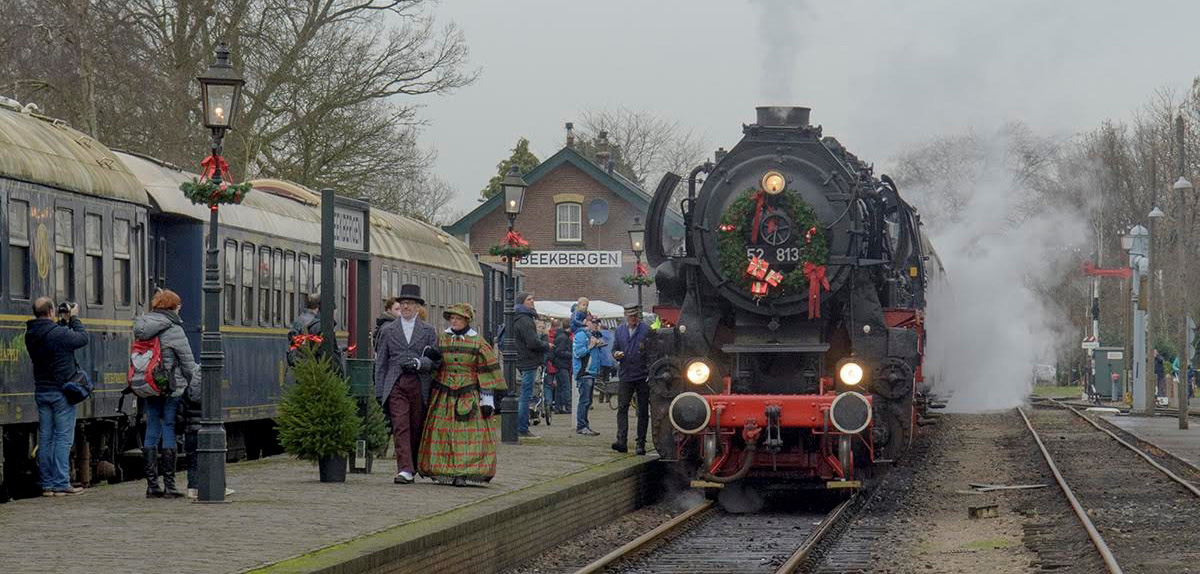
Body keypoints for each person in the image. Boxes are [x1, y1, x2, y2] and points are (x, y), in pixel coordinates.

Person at [418, 303, 504, 486]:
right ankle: (444, 469)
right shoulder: (442, 339)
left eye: (458, 318)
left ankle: (463, 473)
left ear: (466, 320)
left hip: (469, 393)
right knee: (442, 431)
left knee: (468, 435)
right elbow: (435, 365)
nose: (454, 321)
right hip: (444, 393)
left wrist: (487, 399)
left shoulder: (478, 342)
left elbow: (486, 370)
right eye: (452, 318)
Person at [132, 289, 199, 498]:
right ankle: (170, 485)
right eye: (178, 305)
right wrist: (197, 384)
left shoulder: (142, 326)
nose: (180, 308)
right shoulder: (174, 329)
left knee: (152, 426)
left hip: (149, 384)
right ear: (173, 307)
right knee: (168, 426)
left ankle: (152, 485)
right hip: (170, 386)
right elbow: (188, 365)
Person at [375, 284, 439, 484]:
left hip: (419, 383)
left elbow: (436, 360)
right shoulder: (388, 330)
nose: (405, 307)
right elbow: (381, 362)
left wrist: (420, 363)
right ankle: (405, 469)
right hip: (396, 382)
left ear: (418, 307)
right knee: (400, 425)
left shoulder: (429, 331)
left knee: (416, 425)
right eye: (402, 304)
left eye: (410, 304)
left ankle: (413, 464)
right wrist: (379, 390)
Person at [25, 296, 88, 496]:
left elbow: (52, 336)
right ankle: (62, 483)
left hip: (42, 391)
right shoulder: (58, 334)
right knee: (62, 438)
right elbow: (82, 338)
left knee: (46, 438)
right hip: (61, 392)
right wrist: (74, 318)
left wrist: (62, 322)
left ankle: (48, 484)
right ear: (51, 312)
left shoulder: (32, 334)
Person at [612, 305, 651, 455]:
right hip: (626, 374)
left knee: (642, 411)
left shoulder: (646, 330)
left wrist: (648, 370)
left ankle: (640, 443)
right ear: (625, 316)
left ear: (638, 316)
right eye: (630, 316)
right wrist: (616, 354)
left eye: (635, 316)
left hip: (642, 376)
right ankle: (621, 440)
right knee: (622, 408)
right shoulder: (620, 330)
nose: (632, 319)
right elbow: (614, 348)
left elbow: (652, 351)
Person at [513, 292, 548, 439]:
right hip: (528, 360)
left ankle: (521, 426)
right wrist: (546, 345)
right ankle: (522, 428)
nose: (532, 301)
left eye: (533, 298)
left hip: (520, 359)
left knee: (523, 394)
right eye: (529, 299)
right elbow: (533, 342)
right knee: (525, 395)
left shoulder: (517, 318)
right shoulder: (525, 320)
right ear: (522, 302)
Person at [572, 315, 603, 436]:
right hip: (584, 372)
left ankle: (585, 425)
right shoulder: (581, 335)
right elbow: (578, 353)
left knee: (588, 401)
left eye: (597, 322)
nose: (595, 324)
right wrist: (591, 345)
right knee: (584, 401)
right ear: (586, 322)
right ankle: (581, 426)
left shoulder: (592, 335)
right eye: (593, 322)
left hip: (591, 372)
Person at [550, 318, 573, 414]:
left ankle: (558, 408)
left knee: (560, 387)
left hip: (559, 365)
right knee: (566, 387)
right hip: (562, 364)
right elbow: (559, 352)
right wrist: (571, 354)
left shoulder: (560, 336)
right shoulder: (563, 337)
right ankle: (567, 406)